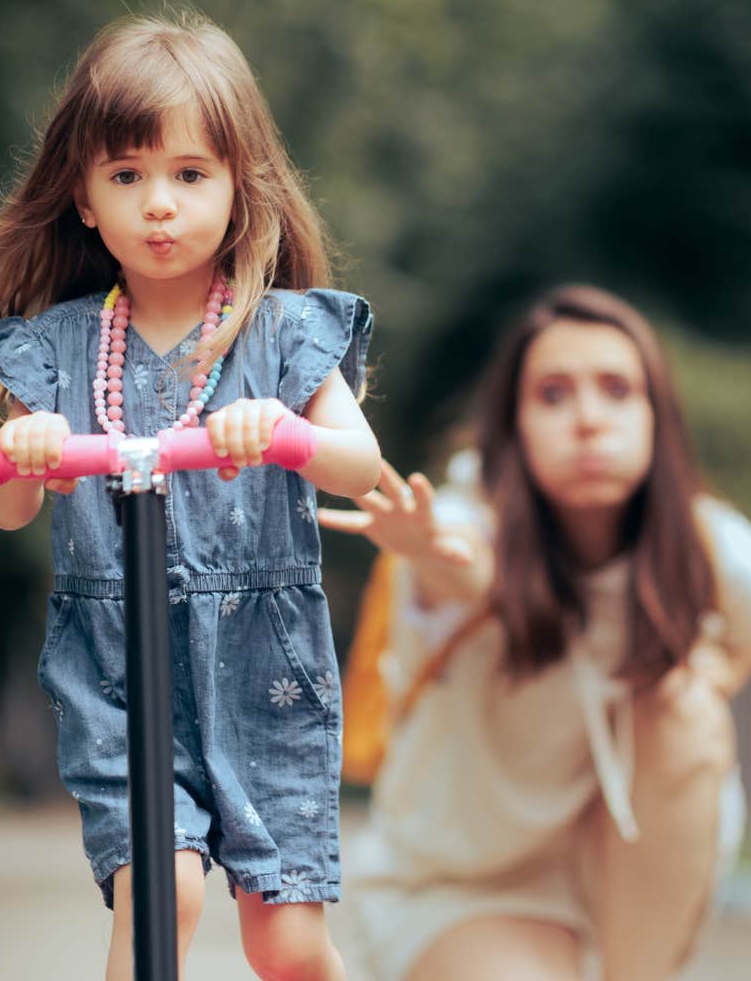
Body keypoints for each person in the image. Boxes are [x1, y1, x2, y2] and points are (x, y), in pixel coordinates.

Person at [0, 11, 381, 981]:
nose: (159, 204)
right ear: (85, 199)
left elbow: (361, 464)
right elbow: (4, 505)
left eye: (188, 174)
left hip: (265, 663)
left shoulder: (282, 334)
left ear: (237, 186)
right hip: (119, 670)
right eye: (127, 176)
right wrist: (24, 454)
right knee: (158, 893)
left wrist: (291, 433)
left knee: (288, 944)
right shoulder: (53, 349)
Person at [319, 283, 751, 981]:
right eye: (553, 394)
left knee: (686, 706)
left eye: (616, 389)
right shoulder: (467, 523)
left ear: (656, 416)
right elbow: (467, 570)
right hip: (464, 889)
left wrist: (715, 671)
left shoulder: (708, 549)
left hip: (623, 874)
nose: (588, 419)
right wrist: (427, 553)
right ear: (513, 424)